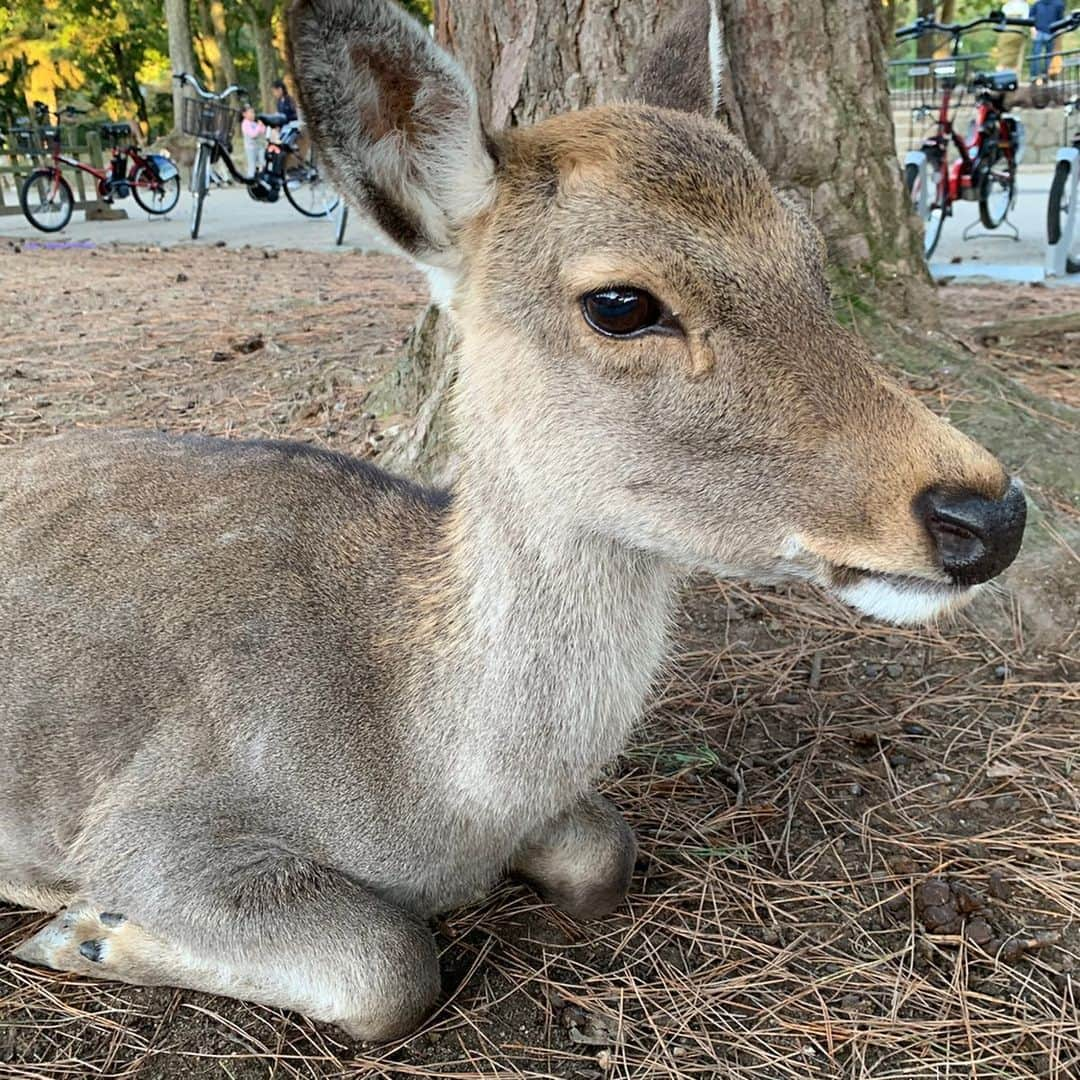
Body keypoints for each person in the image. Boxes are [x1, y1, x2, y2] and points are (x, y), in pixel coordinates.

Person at [1030, 0, 1065, 81]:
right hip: (1041, 32)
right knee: (1039, 56)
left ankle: (1043, 76)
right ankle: (1037, 77)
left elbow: (1061, 19)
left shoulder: (1057, 4)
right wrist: (1033, 30)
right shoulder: (1038, 4)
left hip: (1050, 33)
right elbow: (1031, 17)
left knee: (1044, 56)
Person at [996, 0, 1029, 75]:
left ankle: (999, 77)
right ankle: (1014, 79)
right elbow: (1026, 19)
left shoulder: (1006, 5)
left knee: (1003, 59)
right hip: (1017, 32)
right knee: (1016, 59)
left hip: (1005, 33)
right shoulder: (1024, 5)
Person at [241, 105, 266, 178]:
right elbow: (253, 134)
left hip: (259, 146)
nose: (253, 114)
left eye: (253, 112)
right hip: (251, 148)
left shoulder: (254, 123)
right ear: (244, 114)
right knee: (252, 165)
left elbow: (262, 131)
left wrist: (262, 125)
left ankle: (261, 178)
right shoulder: (245, 123)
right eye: (251, 112)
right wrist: (259, 126)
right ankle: (250, 180)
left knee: (262, 163)